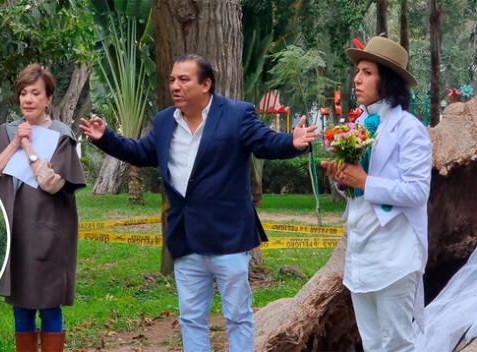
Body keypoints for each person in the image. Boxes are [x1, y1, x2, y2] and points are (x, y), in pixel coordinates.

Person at [80, 53, 317, 352]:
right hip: (186, 236)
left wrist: (291, 142)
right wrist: (106, 138)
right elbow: (142, 152)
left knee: (238, 316)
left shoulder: (236, 114)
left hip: (229, 237)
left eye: (184, 79)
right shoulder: (166, 120)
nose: (175, 86)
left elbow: (265, 142)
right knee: (191, 317)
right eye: (172, 80)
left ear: (206, 84)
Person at [321, 36, 432, 352]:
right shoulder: (359, 125)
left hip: (395, 256)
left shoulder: (409, 129)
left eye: (367, 72)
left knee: (397, 344)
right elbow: (360, 188)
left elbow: (417, 191)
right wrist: (343, 181)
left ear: (388, 79)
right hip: (361, 255)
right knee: (371, 344)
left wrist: (365, 181)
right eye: (358, 71)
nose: (357, 79)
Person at [0, 63, 85, 352]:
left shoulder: (61, 135)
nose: (28, 99)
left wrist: (30, 148)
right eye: (23, 93)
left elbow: (52, 183)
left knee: (49, 304)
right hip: (16, 230)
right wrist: (15, 142)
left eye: (35, 93)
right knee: (21, 304)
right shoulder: (5, 132)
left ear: (48, 98)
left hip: (51, 229)